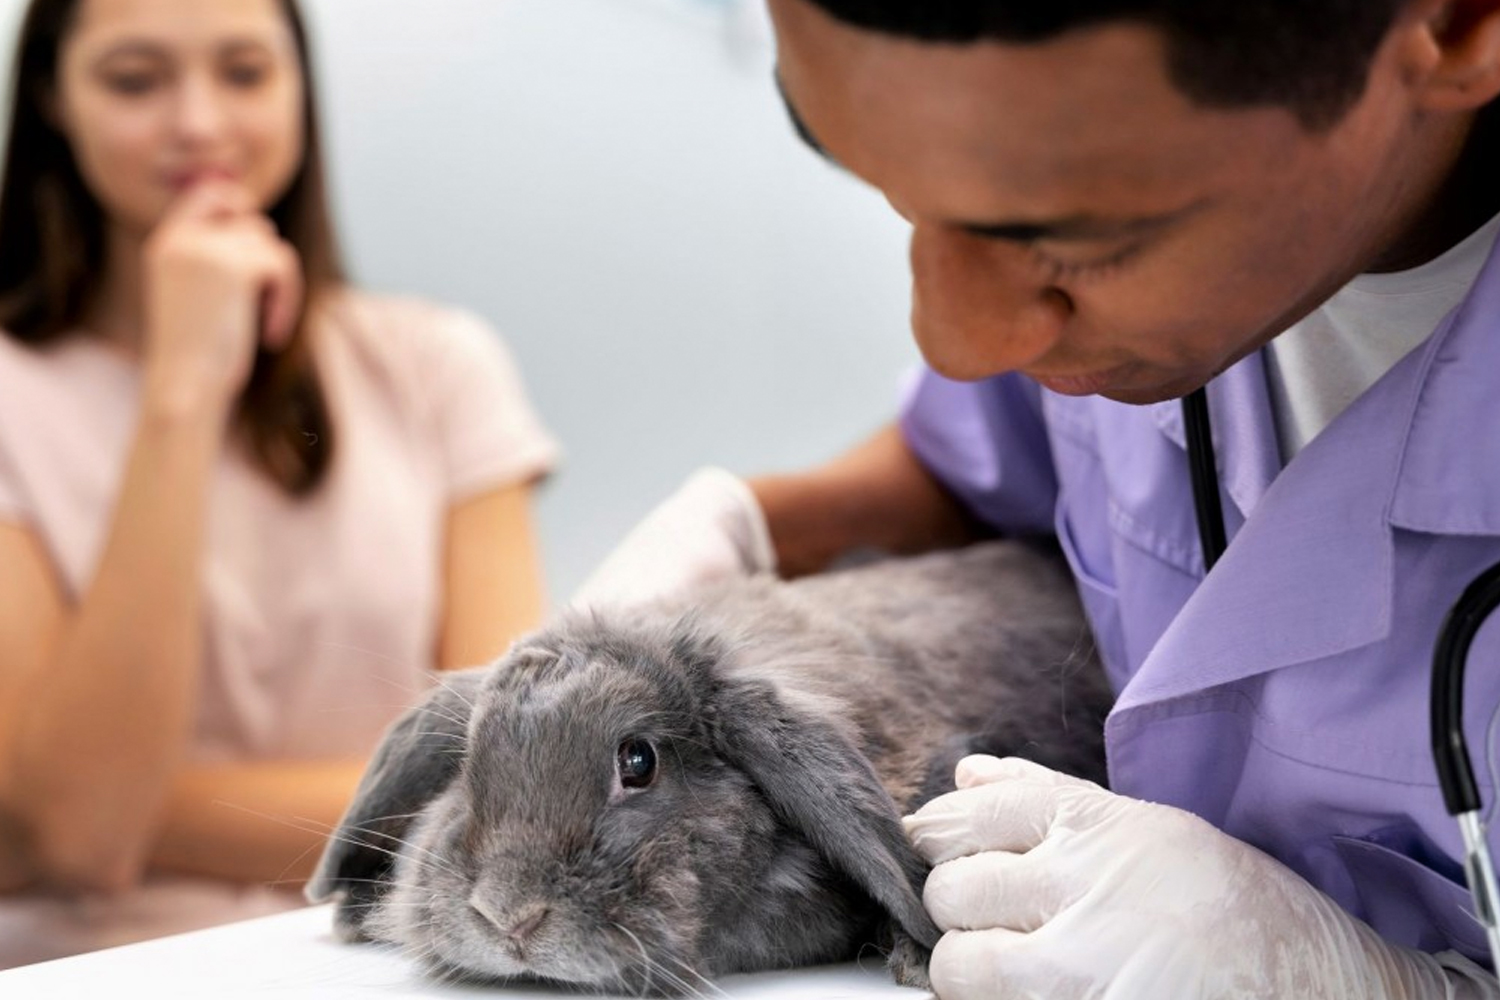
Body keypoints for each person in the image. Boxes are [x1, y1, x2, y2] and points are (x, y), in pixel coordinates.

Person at [576, 0, 1500, 997]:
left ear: (1453, 23)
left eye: (1071, 241)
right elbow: (981, 462)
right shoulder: (1112, 269)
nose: (953, 339)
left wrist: (1387, 983)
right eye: (885, 186)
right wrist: (751, 524)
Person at [0, 0, 558, 968]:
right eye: (135, 80)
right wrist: (181, 384)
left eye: (246, 73)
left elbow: (511, 790)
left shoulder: (437, 367)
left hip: (392, 961)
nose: (200, 124)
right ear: (53, 98)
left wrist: (143, 808)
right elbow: (78, 835)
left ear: (300, 86)